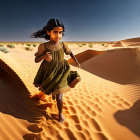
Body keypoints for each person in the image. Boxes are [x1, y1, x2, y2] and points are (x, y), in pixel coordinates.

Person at [31, 18, 81, 124]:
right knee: (49, 88)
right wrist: (44, 57)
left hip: (62, 71)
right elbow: (36, 60)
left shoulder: (63, 45)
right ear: (48, 32)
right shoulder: (43, 46)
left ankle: (60, 113)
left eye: (60, 32)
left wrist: (76, 61)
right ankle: (44, 94)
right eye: (55, 32)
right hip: (49, 72)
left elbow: (70, 52)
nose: (58, 35)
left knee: (59, 94)